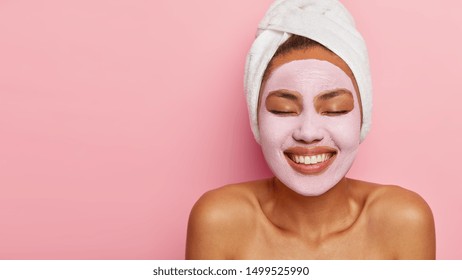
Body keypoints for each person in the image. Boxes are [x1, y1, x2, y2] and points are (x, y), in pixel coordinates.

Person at [185, 0, 435, 259]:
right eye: (283, 109)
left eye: (335, 109)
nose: (308, 132)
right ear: (256, 119)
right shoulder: (220, 221)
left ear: (363, 118)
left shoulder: (403, 221)